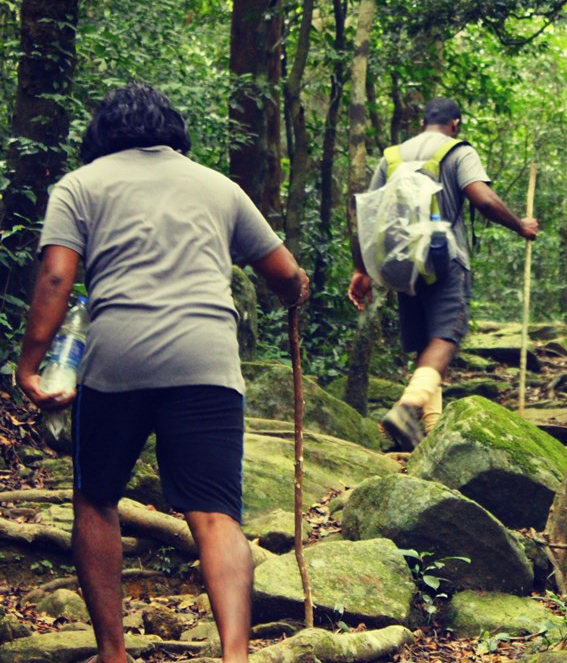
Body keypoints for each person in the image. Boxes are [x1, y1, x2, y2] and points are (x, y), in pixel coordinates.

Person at [16, 83, 310, 663]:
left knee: (96, 500)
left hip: (117, 358)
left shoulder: (81, 185)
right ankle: (235, 656)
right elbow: (285, 273)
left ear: (102, 134)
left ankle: (113, 653)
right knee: (217, 515)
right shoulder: (218, 187)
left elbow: (56, 278)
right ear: (173, 130)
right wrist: (296, 292)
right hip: (206, 360)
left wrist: (30, 362)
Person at [348, 97, 538, 450]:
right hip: (445, 260)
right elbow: (482, 198)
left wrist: (362, 269)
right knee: (445, 338)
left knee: (424, 346)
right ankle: (407, 408)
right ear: (456, 123)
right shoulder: (458, 151)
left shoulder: (392, 156)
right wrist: (520, 226)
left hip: (403, 266)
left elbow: (366, 216)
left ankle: (429, 432)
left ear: (423, 121)